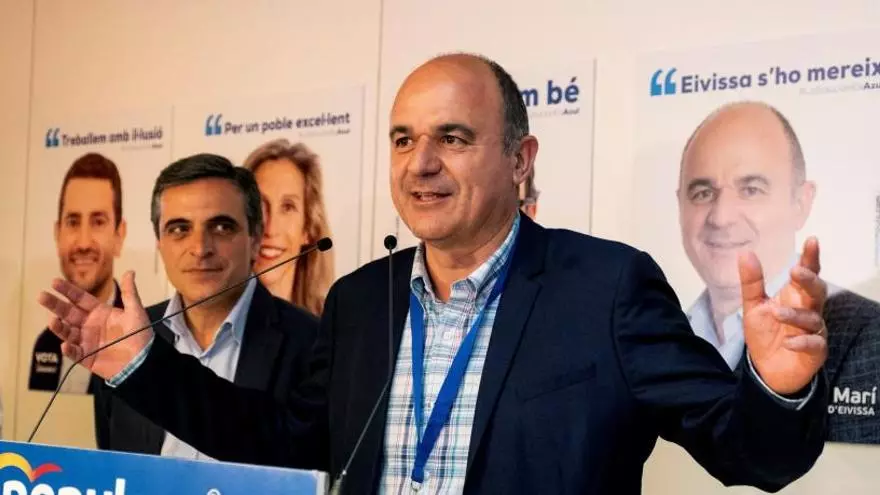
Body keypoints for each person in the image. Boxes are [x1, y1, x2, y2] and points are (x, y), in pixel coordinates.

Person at [39, 54, 830, 494]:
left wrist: (777, 384)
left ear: (520, 160)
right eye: (402, 139)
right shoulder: (361, 300)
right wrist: (143, 364)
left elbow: (751, 455)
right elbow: (278, 438)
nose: (420, 163)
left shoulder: (607, 288)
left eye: (452, 137)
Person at [91, 154, 320, 458]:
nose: (200, 248)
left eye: (221, 227)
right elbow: (116, 464)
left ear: (255, 239)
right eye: (179, 229)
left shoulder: (312, 344)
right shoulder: (125, 340)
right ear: (159, 242)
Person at [677, 100, 880, 443]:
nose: (721, 217)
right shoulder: (661, 330)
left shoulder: (867, 335)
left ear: (801, 202)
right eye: (702, 192)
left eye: (751, 190)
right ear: (679, 204)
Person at [29, 152, 126, 395]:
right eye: (73, 222)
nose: (83, 243)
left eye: (98, 222)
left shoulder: (138, 339)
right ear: (57, 233)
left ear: (119, 235)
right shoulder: (44, 344)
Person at [243, 138, 334, 316]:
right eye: (259, 205)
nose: (270, 229)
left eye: (288, 207)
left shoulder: (335, 325)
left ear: (308, 229)